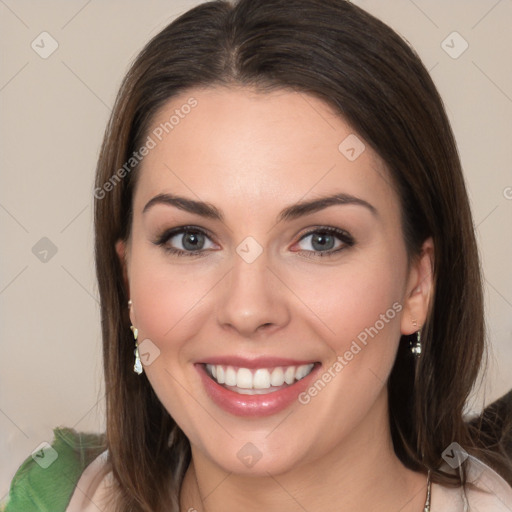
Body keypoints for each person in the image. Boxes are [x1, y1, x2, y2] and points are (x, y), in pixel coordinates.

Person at [2, 0, 512, 511]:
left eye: (321, 239)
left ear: (416, 284)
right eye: (191, 239)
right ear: (127, 276)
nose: (248, 310)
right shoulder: (50, 498)